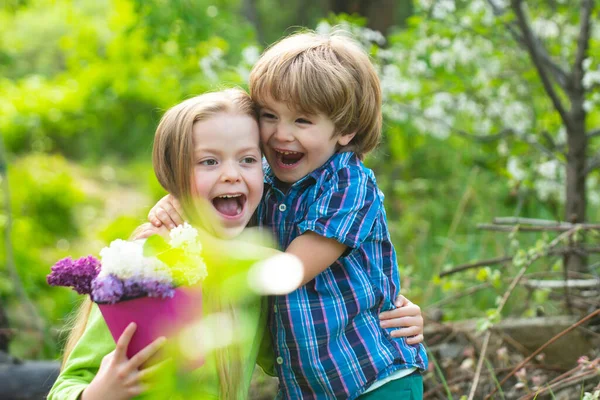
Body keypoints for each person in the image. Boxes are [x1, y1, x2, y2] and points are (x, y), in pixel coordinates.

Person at [149, 29, 428, 400]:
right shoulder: (263, 182)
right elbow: (223, 218)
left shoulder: (348, 185)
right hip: (308, 389)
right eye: (270, 116)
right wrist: (175, 206)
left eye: (302, 121)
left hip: (373, 379)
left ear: (345, 129)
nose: (281, 134)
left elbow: (290, 271)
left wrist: (198, 244)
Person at [49, 89, 270, 400]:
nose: (232, 174)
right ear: (174, 176)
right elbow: (66, 387)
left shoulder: (250, 269)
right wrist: (99, 394)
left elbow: (283, 360)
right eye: (209, 161)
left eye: (248, 159)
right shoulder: (146, 263)